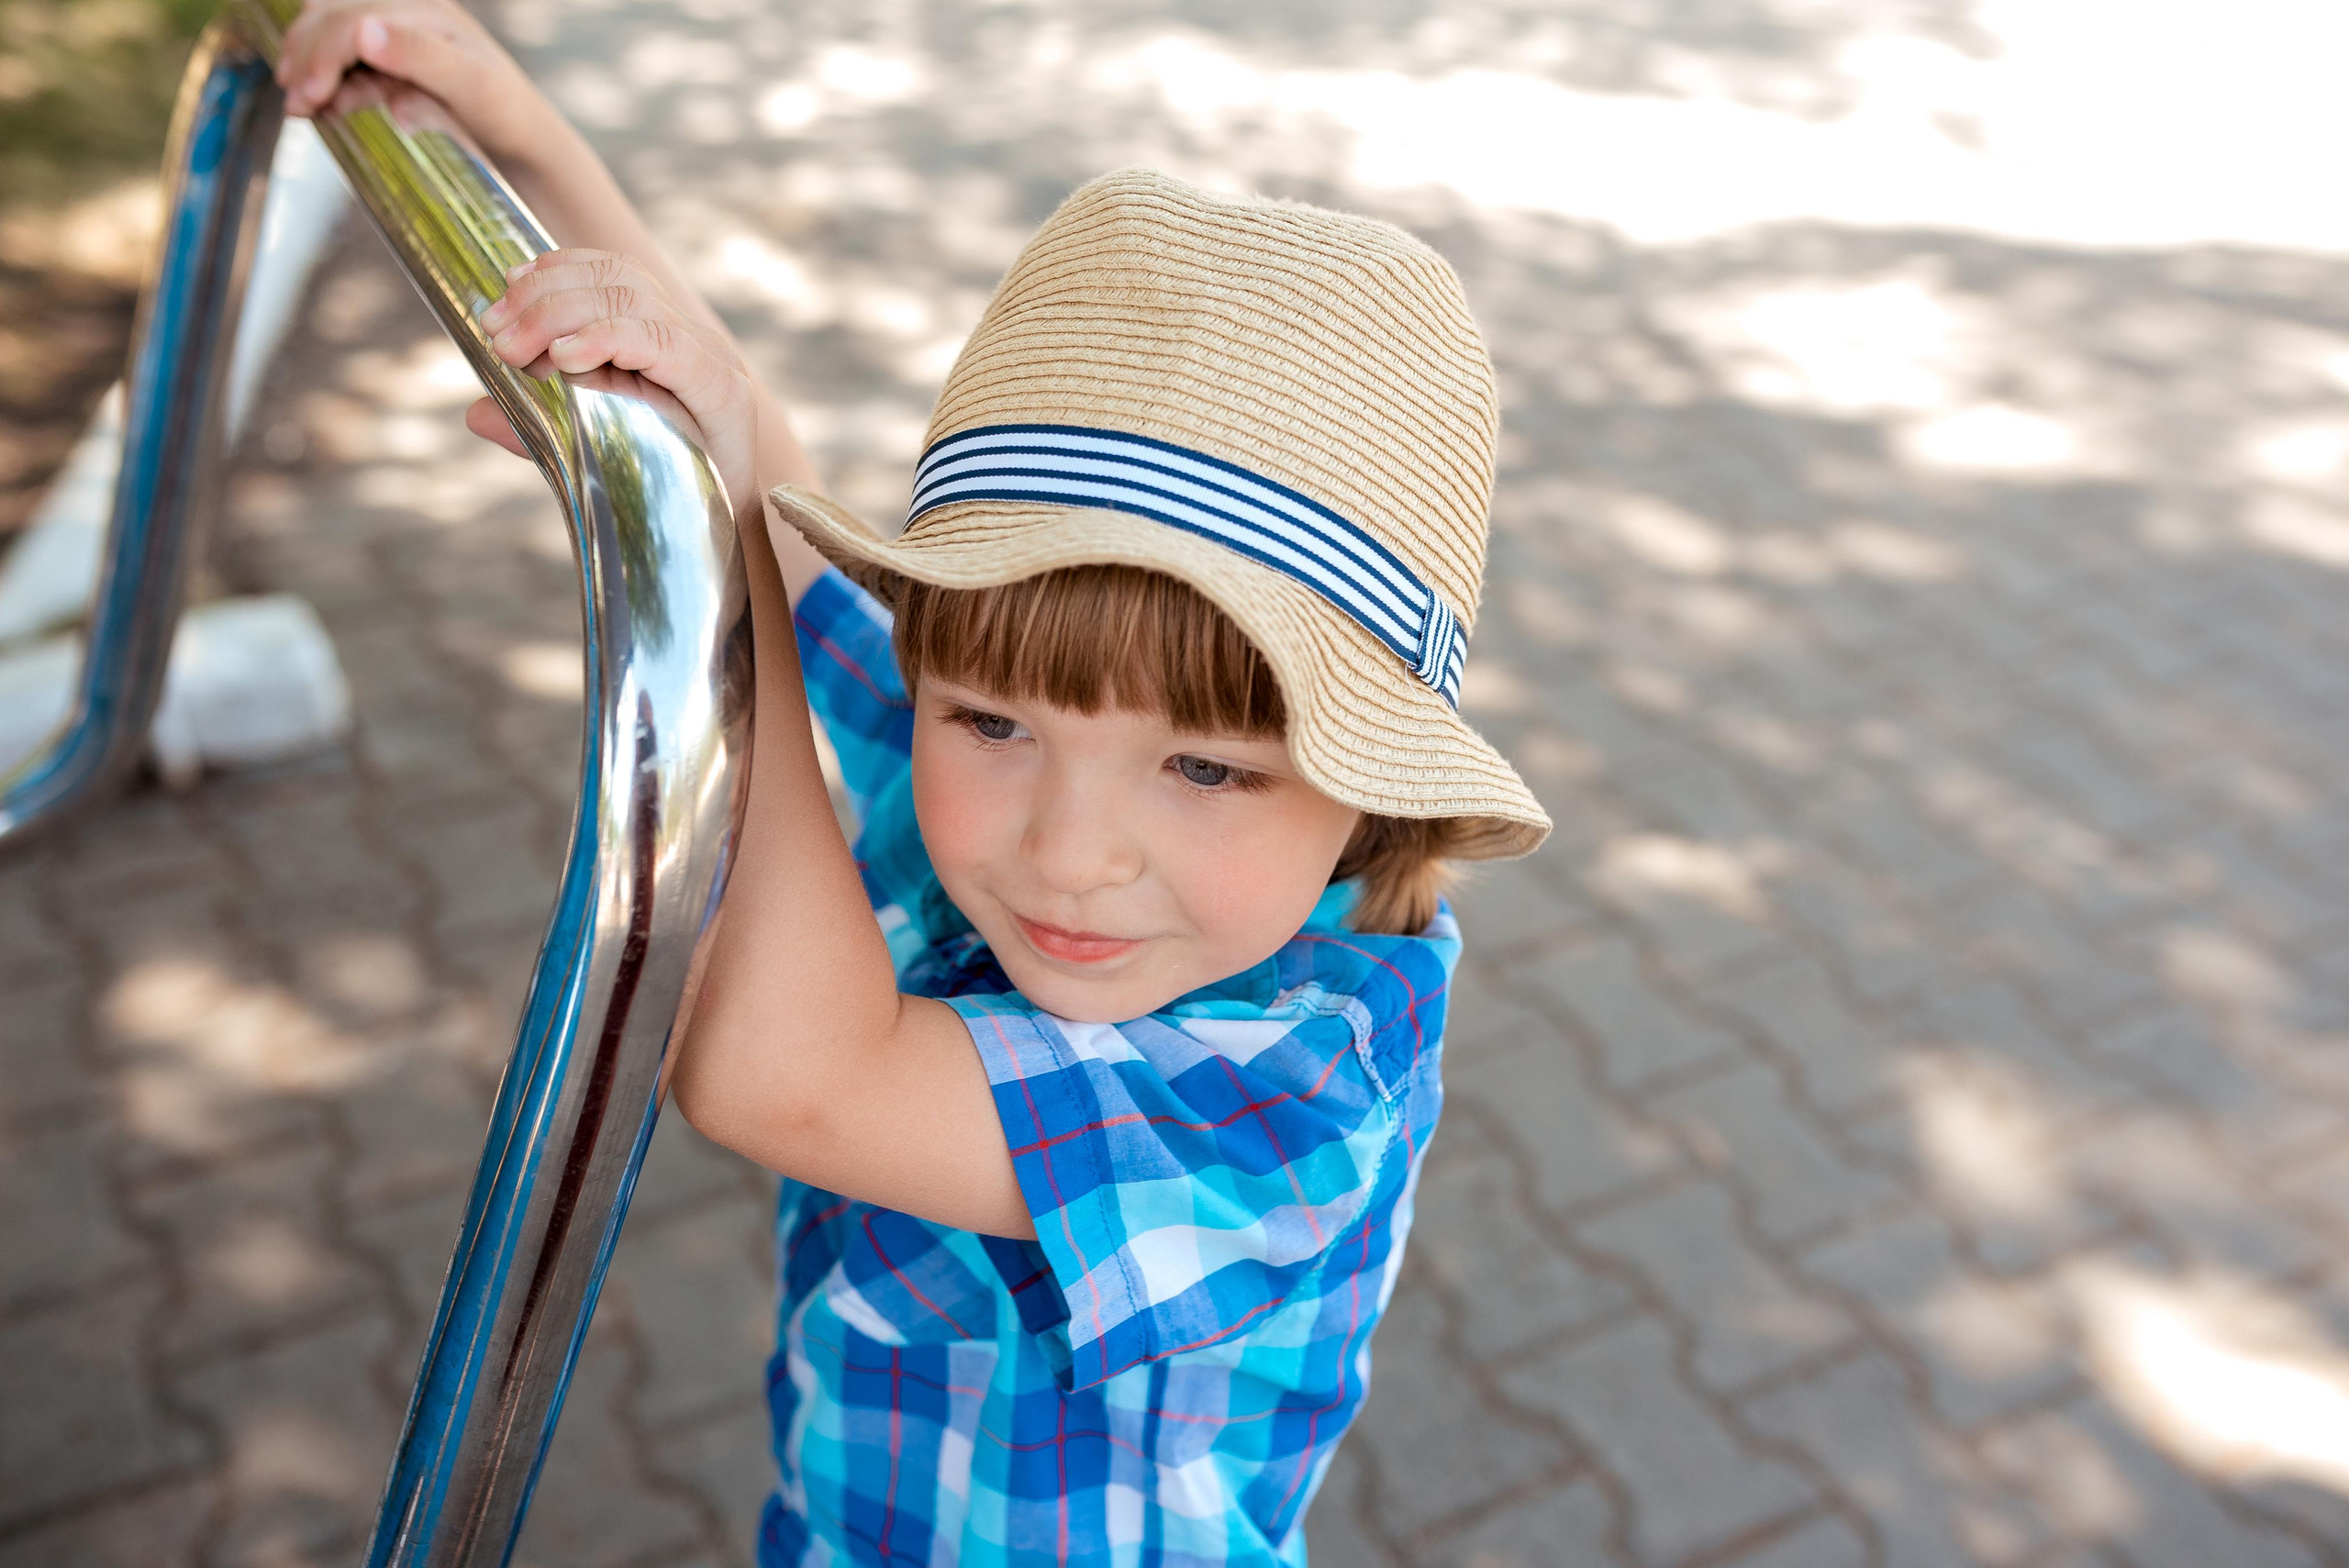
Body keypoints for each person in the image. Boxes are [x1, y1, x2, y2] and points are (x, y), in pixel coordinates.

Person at [278, 5, 1552, 1562]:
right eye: (994, 719)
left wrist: (722, 542)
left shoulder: (1302, 1089)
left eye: (1208, 765)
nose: (1067, 851)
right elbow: (764, 475)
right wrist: (525, 136)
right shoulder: (980, 769)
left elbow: (784, 1073)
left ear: (1374, 795)